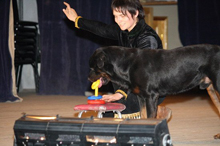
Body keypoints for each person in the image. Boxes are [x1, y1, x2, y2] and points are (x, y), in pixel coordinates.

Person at [63, 0, 171, 119]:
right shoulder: (123, 31)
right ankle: (137, 108)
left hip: (149, 87)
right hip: (130, 84)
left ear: (135, 13)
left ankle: (152, 110)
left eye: (122, 16)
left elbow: (140, 73)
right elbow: (102, 29)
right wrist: (77, 19)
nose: (118, 20)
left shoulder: (148, 39)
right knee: (107, 114)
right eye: (115, 16)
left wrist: (120, 94)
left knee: (120, 113)